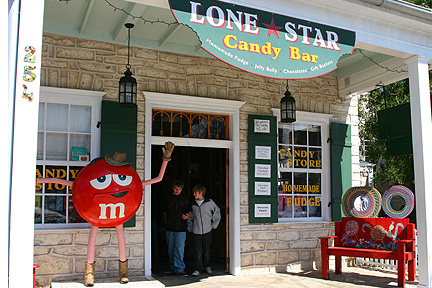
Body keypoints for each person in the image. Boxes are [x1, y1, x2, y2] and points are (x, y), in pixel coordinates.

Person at [187, 184, 221, 277]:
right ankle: (197, 269)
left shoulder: (209, 202)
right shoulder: (193, 204)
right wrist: (190, 227)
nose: (194, 194)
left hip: (207, 231)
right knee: (197, 251)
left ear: (201, 193)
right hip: (197, 232)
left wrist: (214, 225)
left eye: (196, 193)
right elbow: (190, 217)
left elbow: (217, 212)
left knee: (206, 251)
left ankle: (207, 266)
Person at [162, 180, 191, 276]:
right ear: (172, 188)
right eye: (176, 188)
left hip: (181, 228)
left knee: (179, 248)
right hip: (170, 227)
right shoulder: (168, 199)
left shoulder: (185, 199)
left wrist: (187, 216)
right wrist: (166, 225)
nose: (177, 191)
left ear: (182, 189)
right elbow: (165, 213)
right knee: (170, 249)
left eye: (179, 189)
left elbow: (190, 211)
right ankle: (172, 267)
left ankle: (179, 268)